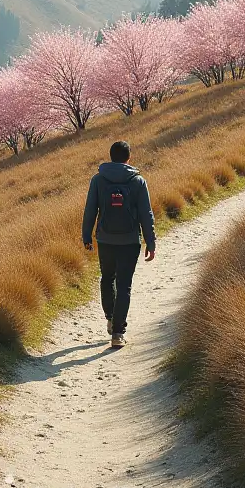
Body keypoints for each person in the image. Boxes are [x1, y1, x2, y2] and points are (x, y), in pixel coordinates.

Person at [82, 140, 156, 349]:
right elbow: (146, 214)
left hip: (105, 239)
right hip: (130, 241)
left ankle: (110, 317)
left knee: (107, 279)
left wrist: (86, 236)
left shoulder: (98, 180)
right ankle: (117, 333)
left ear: (111, 156)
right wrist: (150, 242)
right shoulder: (138, 181)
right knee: (124, 285)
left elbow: (90, 210)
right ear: (128, 158)